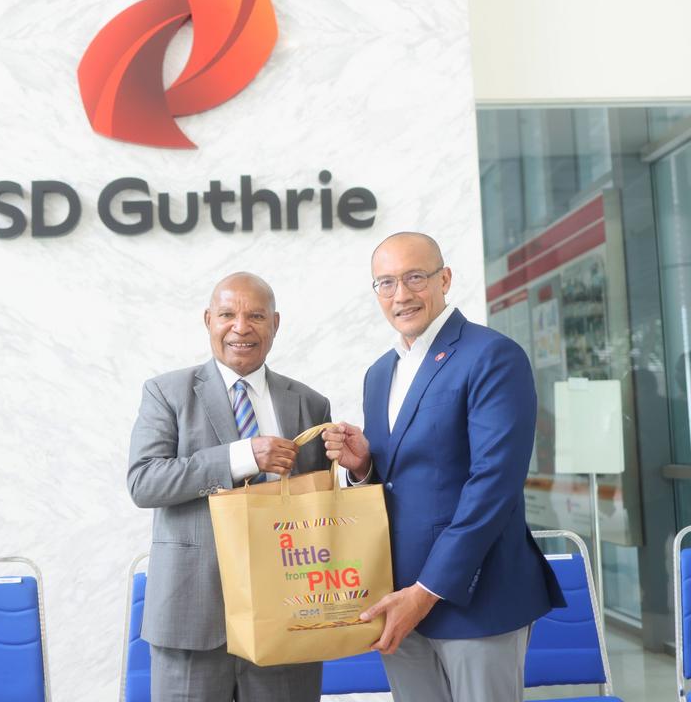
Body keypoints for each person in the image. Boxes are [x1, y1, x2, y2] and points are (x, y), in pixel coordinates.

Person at [324, 233, 563, 702]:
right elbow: (401, 480)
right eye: (386, 283)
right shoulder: (379, 373)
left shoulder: (492, 355)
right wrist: (364, 467)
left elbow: (493, 486)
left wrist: (426, 591)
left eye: (415, 277)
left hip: (476, 596)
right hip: (397, 598)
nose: (401, 295)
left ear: (445, 279)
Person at [127, 272, 330, 702]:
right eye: (227, 315)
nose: (241, 327)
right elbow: (144, 482)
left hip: (289, 616)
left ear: (275, 323)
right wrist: (241, 458)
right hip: (191, 617)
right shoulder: (166, 392)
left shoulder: (310, 403)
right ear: (208, 320)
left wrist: (358, 469)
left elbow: (325, 502)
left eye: (256, 316)